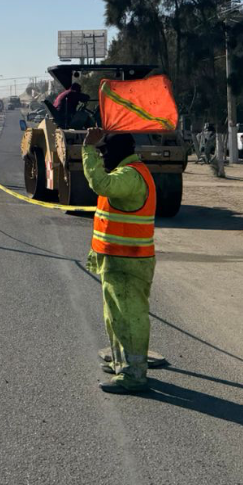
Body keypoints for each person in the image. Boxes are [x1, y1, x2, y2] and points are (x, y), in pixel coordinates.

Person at [82, 128, 157, 394]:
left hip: (129, 262)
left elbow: (100, 185)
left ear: (118, 152)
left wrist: (87, 149)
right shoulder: (125, 173)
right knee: (115, 315)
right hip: (118, 260)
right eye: (99, 153)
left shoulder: (130, 175)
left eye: (104, 152)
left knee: (128, 317)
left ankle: (134, 373)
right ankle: (120, 363)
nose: (102, 157)